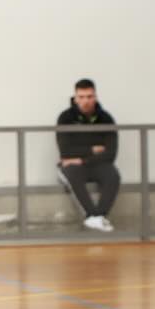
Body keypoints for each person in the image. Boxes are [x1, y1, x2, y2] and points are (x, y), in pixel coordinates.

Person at [56, 78, 120, 233]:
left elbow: (111, 153)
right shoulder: (65, 118)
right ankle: (92, 216)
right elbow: (65, 152)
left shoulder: (106, 118)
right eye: (82, 97)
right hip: (73, 166)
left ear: (95, 97)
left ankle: (98, 217)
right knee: (72, 172)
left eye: (89, 96)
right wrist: (92, 149)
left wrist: (81, 158)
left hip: (94, 164)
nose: (86, 101)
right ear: (75, 98)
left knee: (113, 175)